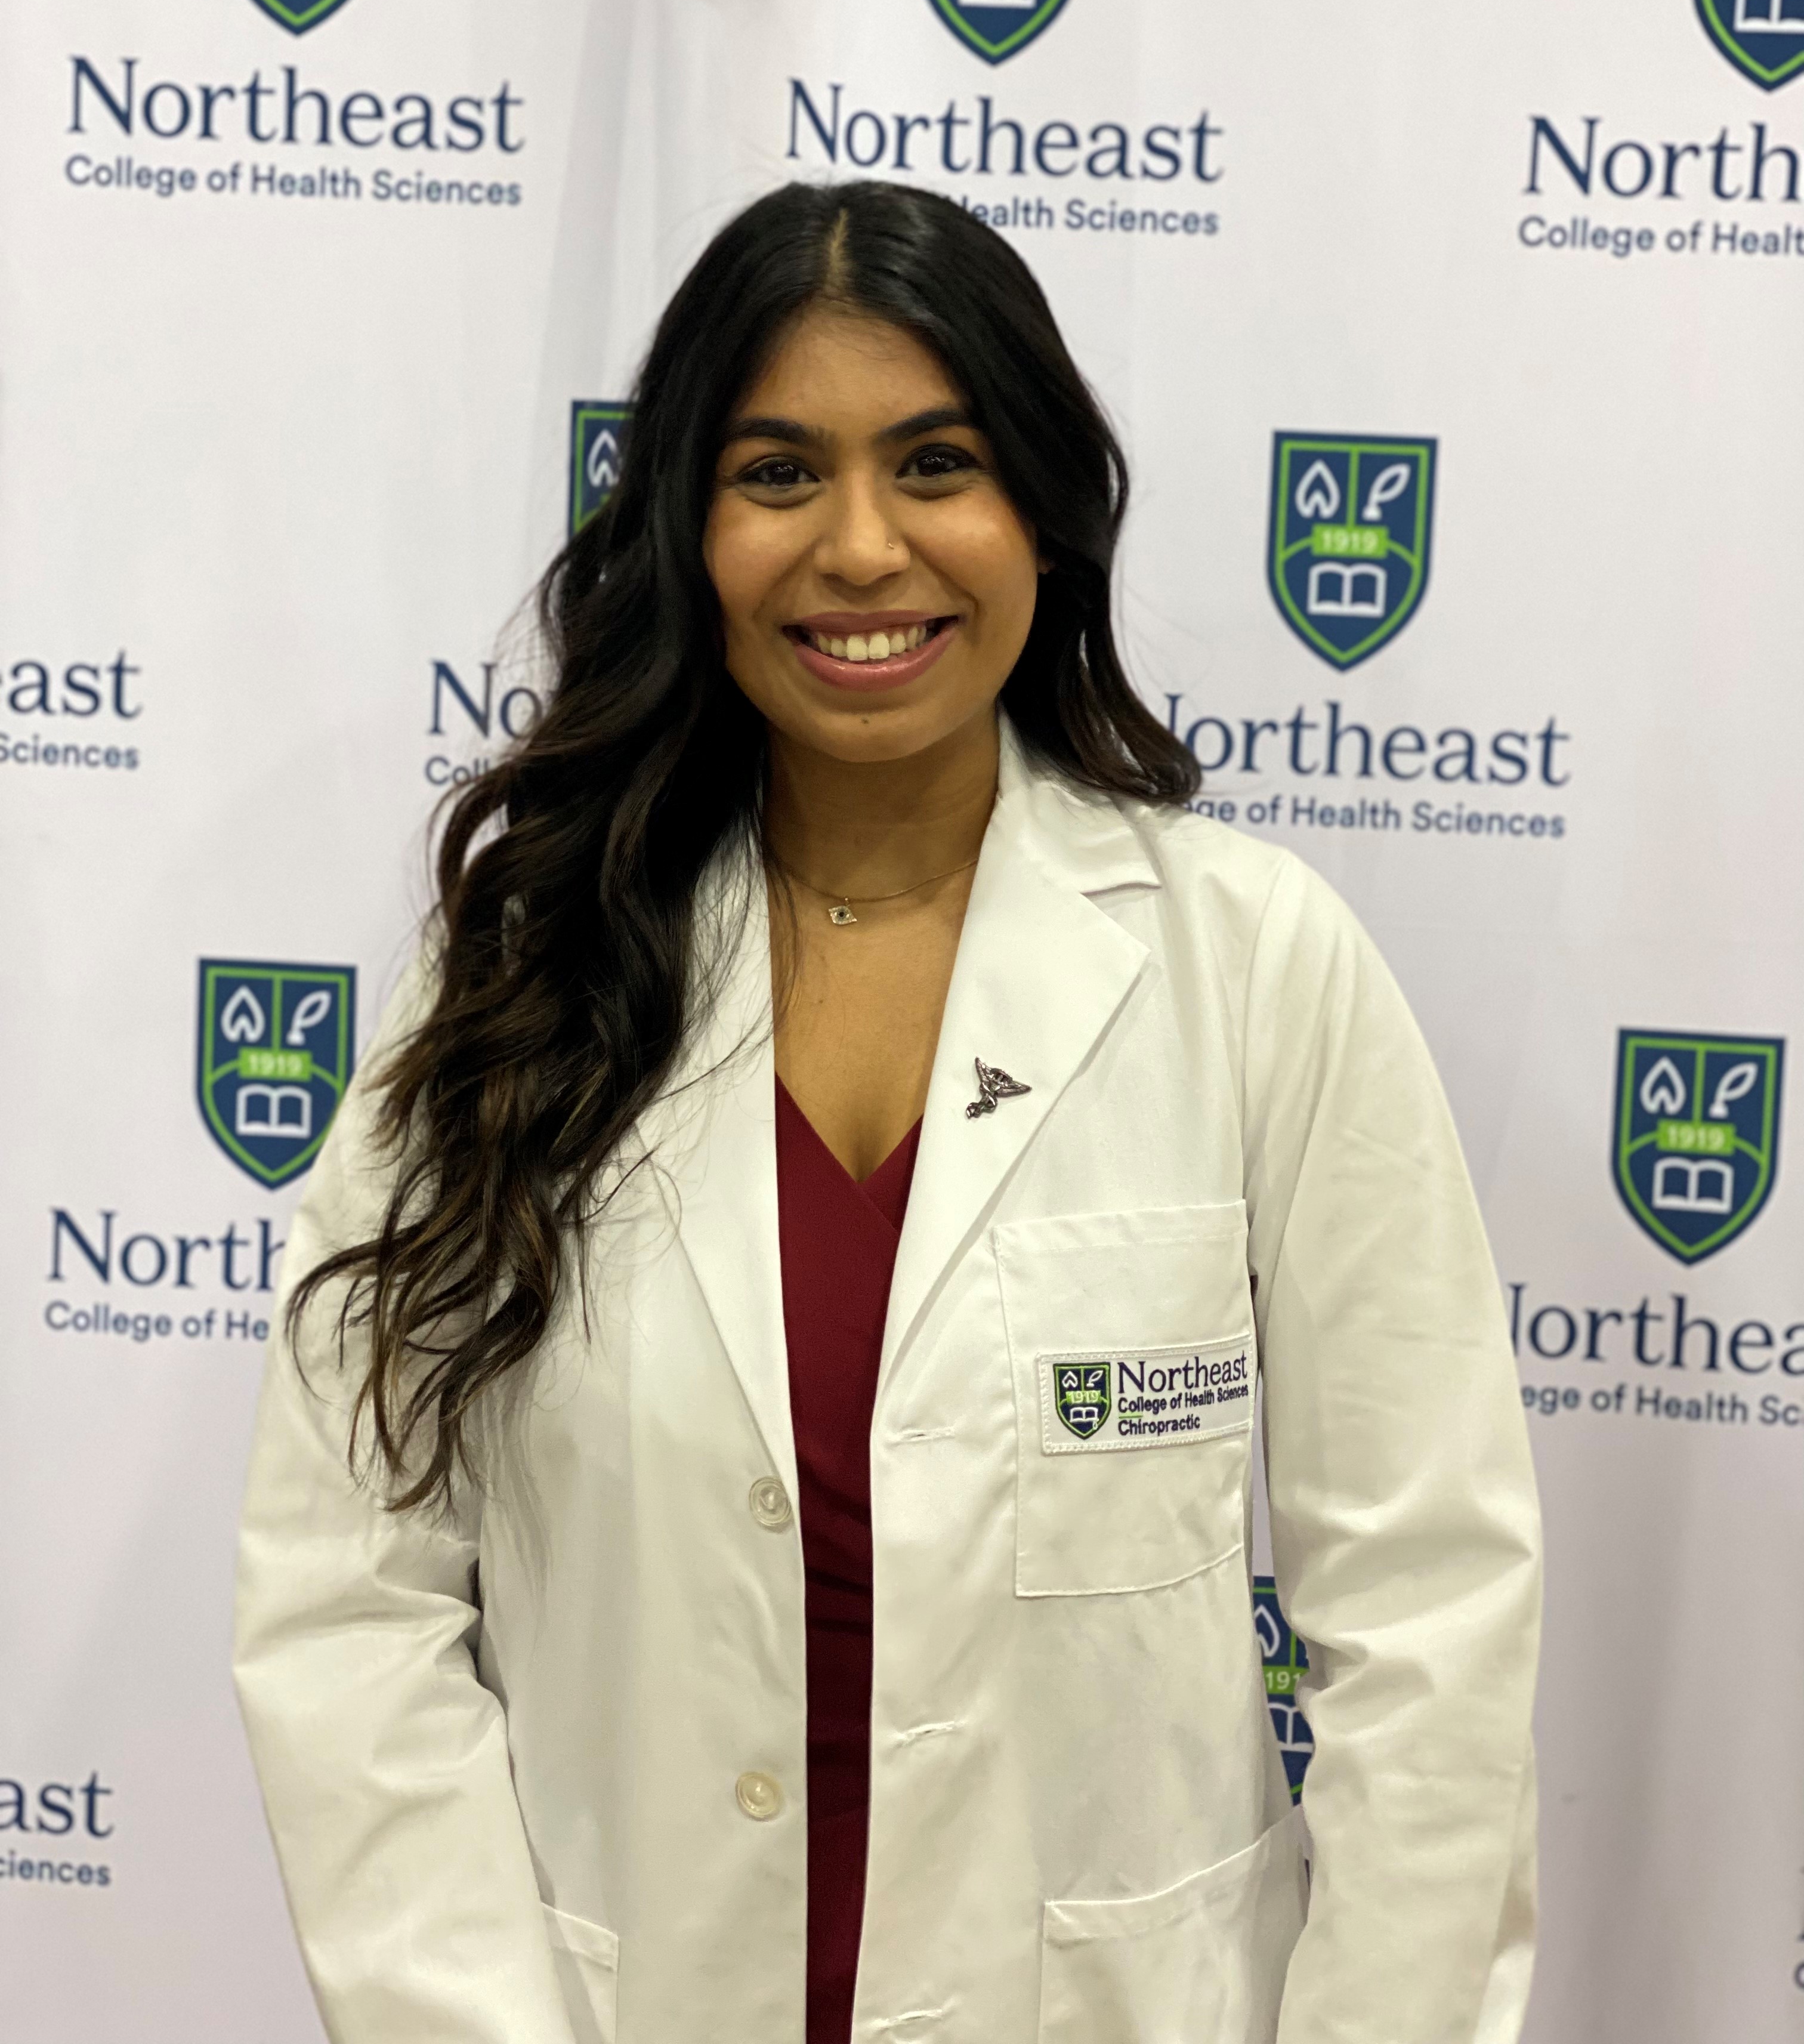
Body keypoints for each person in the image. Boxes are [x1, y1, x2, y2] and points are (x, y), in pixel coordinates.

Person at [233, 179, 1541, 2044]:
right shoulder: (516, 992)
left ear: (1044, 516)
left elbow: (1433, 1619)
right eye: (778, 473)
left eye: (938, 465)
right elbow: (350, 1603)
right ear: (688, 527)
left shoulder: (1252, 970)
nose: (863, 548)